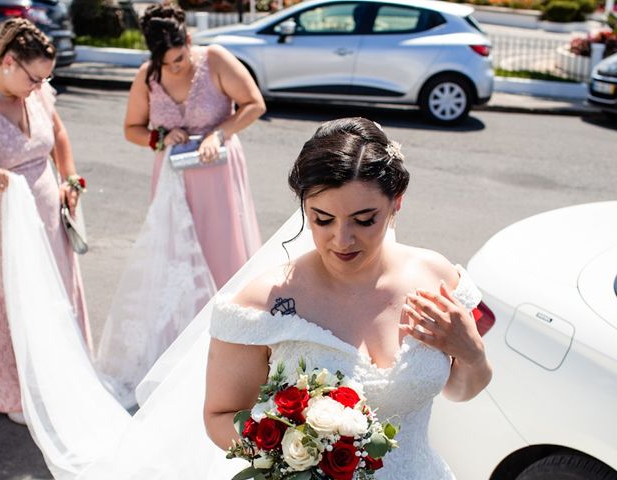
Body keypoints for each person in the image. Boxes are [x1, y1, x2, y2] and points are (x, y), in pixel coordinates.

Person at [204, 117, 493, 478]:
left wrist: (471, 353)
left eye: (364, 219)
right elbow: (218, 415)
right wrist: (290, 448)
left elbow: (461, 391)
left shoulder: (435, 278)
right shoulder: (263, 304)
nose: (342, 240)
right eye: (322, 219)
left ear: (396, 203)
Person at [0, 18, 92, 424]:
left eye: (45, 78)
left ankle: (56, 378)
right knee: (9, 299)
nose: (40, 87)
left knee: (53, 294)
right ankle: (12, 390)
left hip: (48, 216)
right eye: (34, 78)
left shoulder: (37, 95)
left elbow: (59, 134)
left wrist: (70, 178)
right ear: (8, 61)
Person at [124, 3, 264, 289]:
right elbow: (131, 129)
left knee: (221, 245)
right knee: (178, 249)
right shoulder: (147, 77)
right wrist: (159, 137)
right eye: (166, 63)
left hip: (218, 172)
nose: (175, 67)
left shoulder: (215, 59)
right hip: (173, 179)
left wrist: (218, 134)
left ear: (188, 40)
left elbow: (254, 104)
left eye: (179, 58)